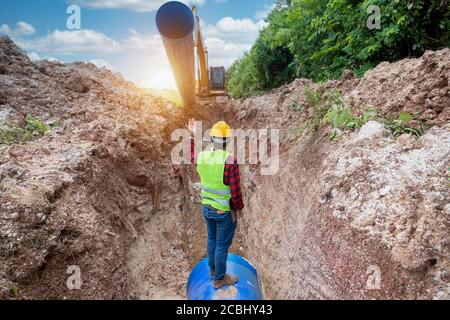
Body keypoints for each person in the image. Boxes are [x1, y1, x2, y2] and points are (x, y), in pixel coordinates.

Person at [186, 119, 244, 289]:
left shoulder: (203, 157)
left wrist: (192, 136)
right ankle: (219, 278)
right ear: (227, 141)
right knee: (221, 245)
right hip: (223, 211)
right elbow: (235, 191)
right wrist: (238, 208)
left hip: (206, 208)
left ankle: (212, 271)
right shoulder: (230, 161)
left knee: (211, 239)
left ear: (212, 139)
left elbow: (191, 155)